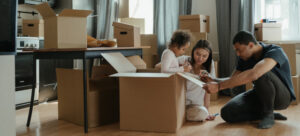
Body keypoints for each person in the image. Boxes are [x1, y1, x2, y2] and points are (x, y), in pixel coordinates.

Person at [202, 31, 295, 129]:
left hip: (282, 97)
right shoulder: (244, 58)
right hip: (259, 94)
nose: (237, 54)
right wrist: (215, 80)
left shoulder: (275, 51)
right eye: (236, 51)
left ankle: (268, 114)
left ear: (250, 45)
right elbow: (233, 80)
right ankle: (263, 113)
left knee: (261, 73)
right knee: (227, 112)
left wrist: (219, 86)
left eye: (239, 50)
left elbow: (255, 74)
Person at [157, 40, 217, 121]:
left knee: (203, 114)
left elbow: (208, 90)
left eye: (204, 56)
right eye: (198, 54)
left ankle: (178, 115)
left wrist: (207, 111)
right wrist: (179, 67)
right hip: (179, 102)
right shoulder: (184, 59)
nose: (200, 58)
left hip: (195, 105)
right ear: (193, 51)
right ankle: (178, 114)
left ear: (208, 56)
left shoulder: (210, 65)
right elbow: (158, 66)